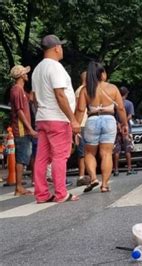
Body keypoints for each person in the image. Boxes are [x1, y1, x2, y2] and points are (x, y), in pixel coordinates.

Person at [31, 34, 80, 203]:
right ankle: (61, 193)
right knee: (60, 156)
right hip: (58, 118)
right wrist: (73, 119)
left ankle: (42, 194)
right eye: (61, 47)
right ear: (56, 48)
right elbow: (60, 94)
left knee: (41, 158)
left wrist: (42, 112)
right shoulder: (56, 67)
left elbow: (34, 98)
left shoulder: (37, 69)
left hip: (43, 117)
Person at [75, 62, 128, 193]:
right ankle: (104, 185)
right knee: (106, 153)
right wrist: (124, 124)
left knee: (89, 153)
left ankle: (93, 178)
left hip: (92, 120)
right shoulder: (112, 88)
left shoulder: (85, 90)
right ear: (102, 74)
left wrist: (75, 127)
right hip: (109, 119)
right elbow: (120, 108)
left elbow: (81, 110)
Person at [9, 65, 36, 195]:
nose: (27, 75)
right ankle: (18, 186)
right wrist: (29, 128)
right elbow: (20, 111)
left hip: (23, 129)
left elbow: (30, 99)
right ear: (20, 76)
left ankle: (20, 186)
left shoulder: (21, 90)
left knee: (26, 155)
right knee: (21, 157)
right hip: (21, 129)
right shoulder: (17, 90)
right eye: (25, 73)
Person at [112, 86, 136, 176]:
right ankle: (129, 168)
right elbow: (130, 116)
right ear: (126, 94)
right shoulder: (129, 104)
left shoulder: (115, 104)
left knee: (116, 150)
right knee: (127, 150)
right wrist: (124, 123)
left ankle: (116, 170)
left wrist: (118, 124)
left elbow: (113, 116)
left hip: (116, 128)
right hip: (126, 128)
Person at [75, 71, 90, 186]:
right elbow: (79, 109)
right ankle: (81, 175)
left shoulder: (79, 90)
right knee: (83, 151)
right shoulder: (83, 90)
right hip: (83, 123)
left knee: (85, 151)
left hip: (84, 123)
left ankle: (86, 174)